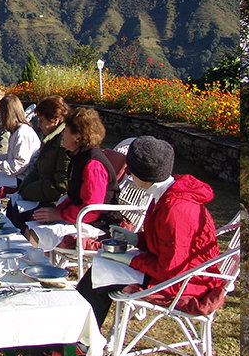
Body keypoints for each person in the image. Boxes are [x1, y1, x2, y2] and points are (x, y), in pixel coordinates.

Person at [75, 137, 222, 325]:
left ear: (141, 175)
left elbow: (171, 269)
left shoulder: (176, 209)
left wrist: (132, 259)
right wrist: (136, 240)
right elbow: (166, 241)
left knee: (101, 274)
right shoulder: (166, 194)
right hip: (175, 270)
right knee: (102, 266)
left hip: (187, 283)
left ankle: (81, 340)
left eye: (130, 171)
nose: (128, 175)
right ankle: (79, 334)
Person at [14, 107, 115, 235]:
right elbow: (74, 196)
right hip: (80, 219)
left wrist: (58, 215)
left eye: (65, 131)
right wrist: (52, 213)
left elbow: (91, 210)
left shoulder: (93, 164)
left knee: (35, 233)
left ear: (77, 136)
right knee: (30, 225)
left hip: (99, 225)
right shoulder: (78, 157)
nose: (62, 134)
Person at [0, 94, 42, 192]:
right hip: (18, 175)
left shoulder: (22, 133)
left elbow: (20, 164)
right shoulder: (16, 130)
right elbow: (11, 156)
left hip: (24, 178)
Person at [16, 95, 71, 203]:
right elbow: (37, 168)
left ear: (55, 120)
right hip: (42, 191)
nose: (39, 125)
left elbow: (61, 185)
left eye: (42, 121)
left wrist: (27, 192)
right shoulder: (49, 139)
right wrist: (23, 189)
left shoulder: (64, 143)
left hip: (54, 200)